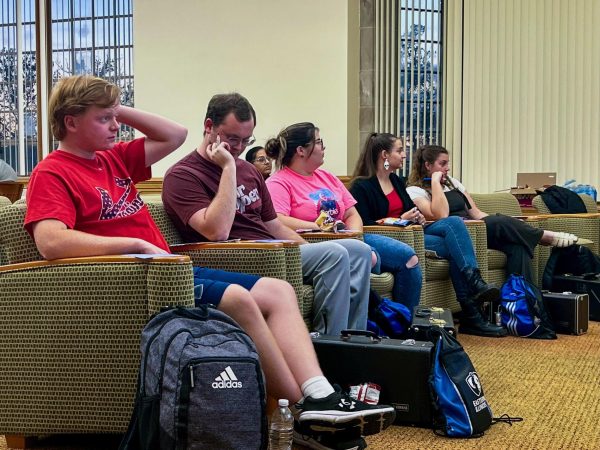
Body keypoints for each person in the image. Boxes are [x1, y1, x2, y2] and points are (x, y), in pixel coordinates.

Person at [24, 77, 394, 443]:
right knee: (238, 298)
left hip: (170, 268)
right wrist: (132, 244)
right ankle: (300, 412)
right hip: (134, 276)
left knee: (279, 291)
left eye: (114, 116)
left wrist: (110, 104)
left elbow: (174, 133)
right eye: (103, 119)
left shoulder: (113, 159)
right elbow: (51, 241)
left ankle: (319, 393)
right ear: (70, 121)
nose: (116, 125)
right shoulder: (52, 171)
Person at [162, 93, 374, 338]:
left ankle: (355, 341)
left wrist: (305, 251)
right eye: (232, 139)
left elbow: (273, 225)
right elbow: (216, 231)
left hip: (272, 247)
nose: (240, 148)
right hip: (236, 255)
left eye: (246, 139)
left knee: (357, 250)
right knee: (336, 254)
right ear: (209, 127)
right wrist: (228, 168)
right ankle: (332, 346)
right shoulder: (183, 175)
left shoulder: (249, 171)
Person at [350, 133, 505, 337]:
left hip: (411, 231)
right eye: (399, 150)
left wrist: (416, 217)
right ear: (384, 155)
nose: (404, 155)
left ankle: (473, 282)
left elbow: (409, 209)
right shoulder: (362, 186)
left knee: (454, 223)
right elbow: (365, 223)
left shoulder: (396, 181)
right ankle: (472, 312)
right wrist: (400, 219)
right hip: (390, 236)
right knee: (454, 248)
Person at [264, 122, 422, 313]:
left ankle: (405, 325)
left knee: (409, 258)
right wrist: (320, 227)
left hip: (348, 236)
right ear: (301, 150)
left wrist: (353, 234)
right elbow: (278, 219)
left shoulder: (327, 177)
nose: (324, 147)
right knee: (369, 257)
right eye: (319, 142)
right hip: (317, 242)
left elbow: (351, 213)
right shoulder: (279, 181)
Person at [406, 145, 578, 284]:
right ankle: (543, 237)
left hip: (477, 229)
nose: (447, 168)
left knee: (517, 247)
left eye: (448, 164)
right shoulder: (414, 191)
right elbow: (440, 215)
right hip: (458, 235)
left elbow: (477, 213)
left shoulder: (454, 184)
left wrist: (502, 221)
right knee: (502, 224)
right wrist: (435, 183)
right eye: (442, 164)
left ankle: (524, 303)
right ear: (428, 166)